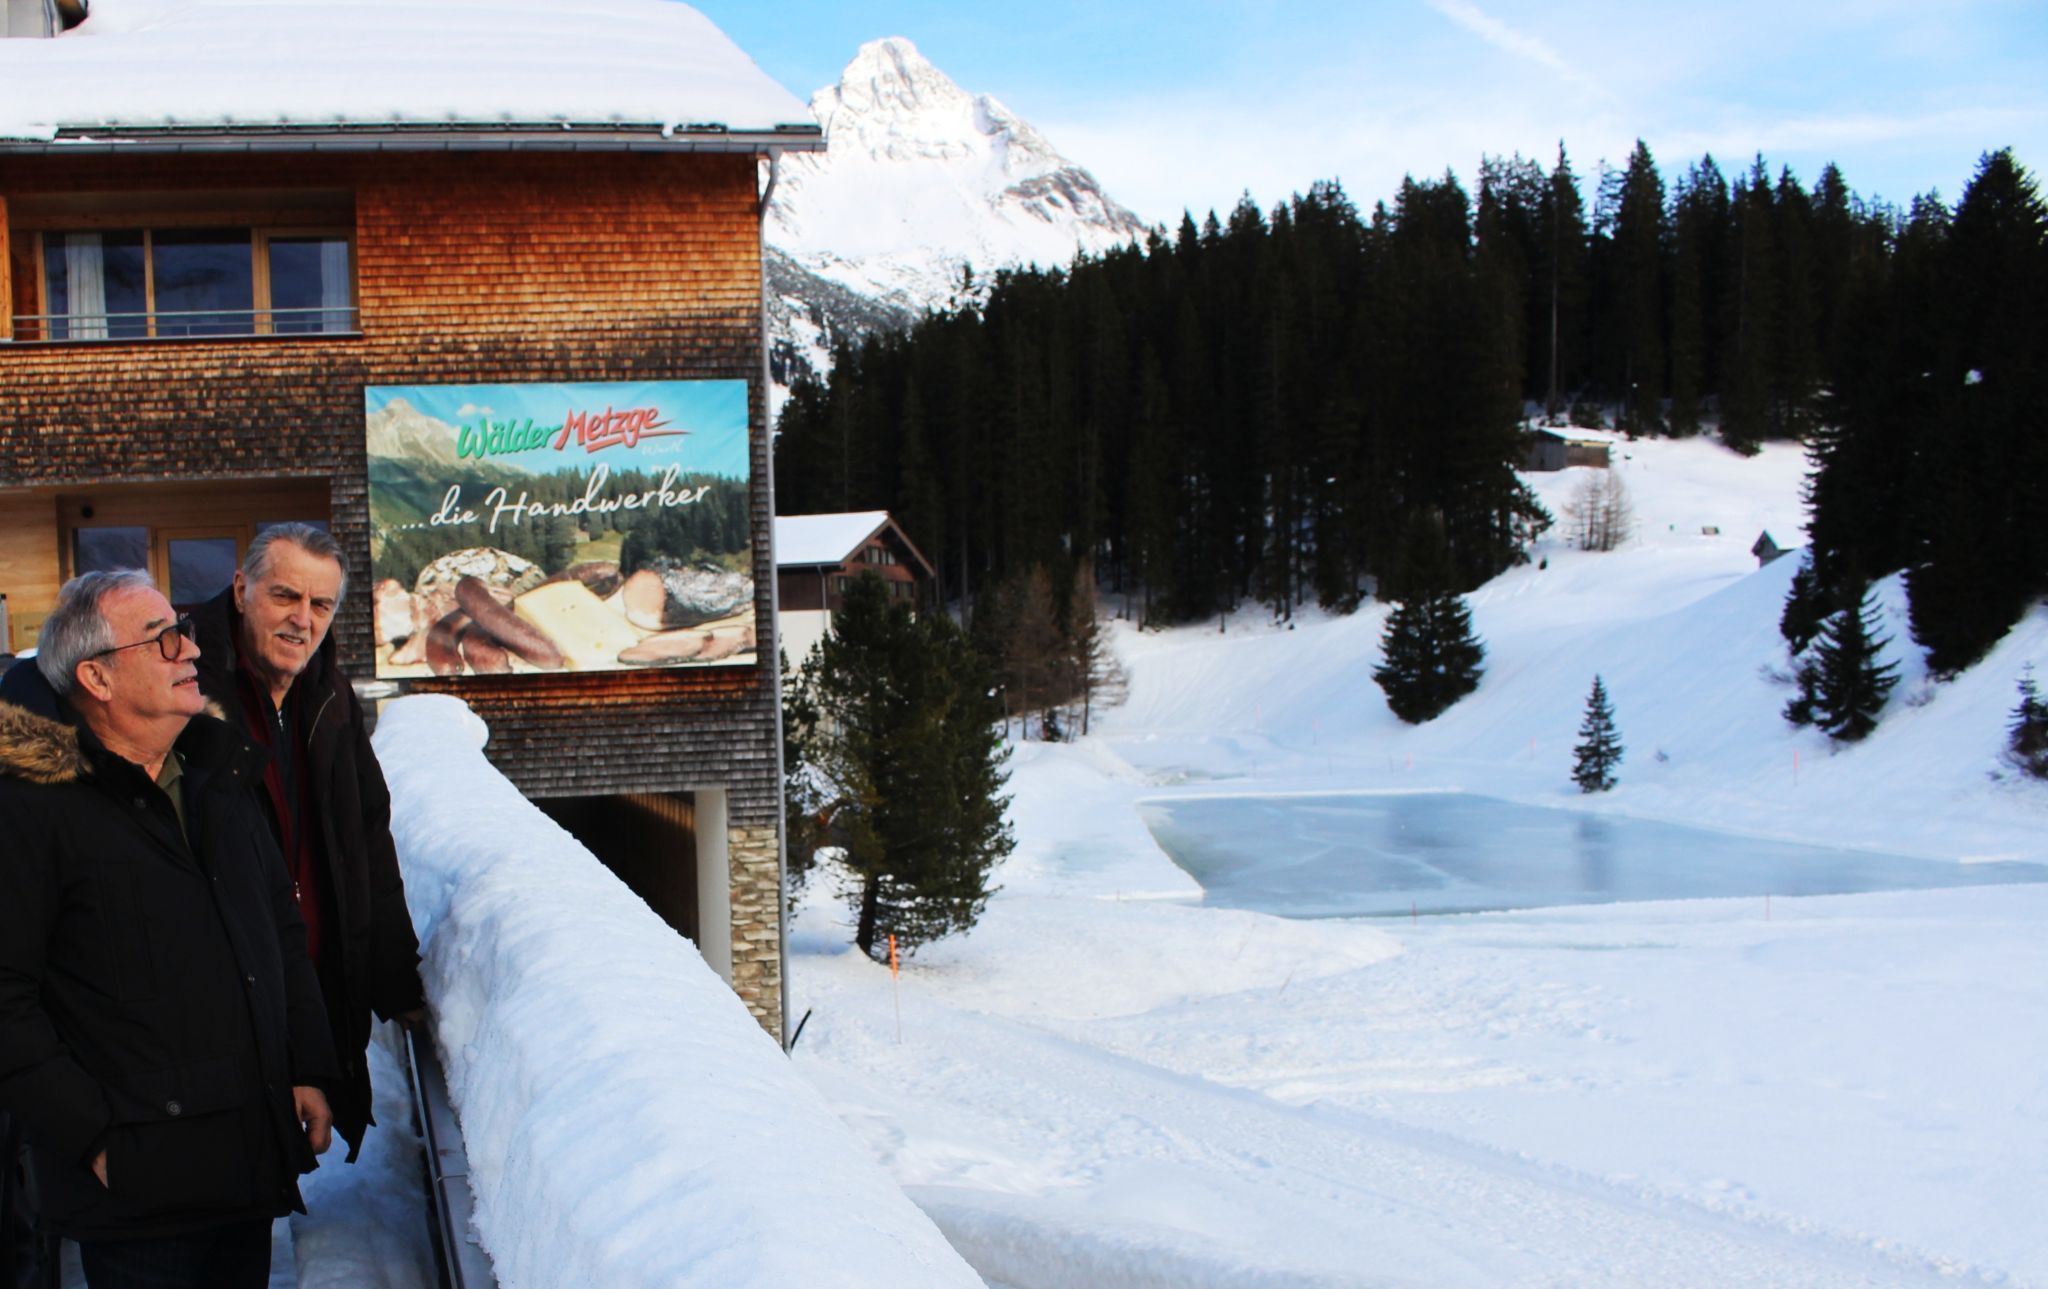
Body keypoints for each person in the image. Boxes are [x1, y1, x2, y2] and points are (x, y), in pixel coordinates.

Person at [0, 571, 338, 1288]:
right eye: (161, 638)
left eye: (180, 628)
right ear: (96, 675)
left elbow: (277, 924)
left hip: (245, 1163)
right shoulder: (31, 807)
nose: (189, 649)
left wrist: (307, 1060)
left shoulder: (217, 772)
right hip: (137, 1195)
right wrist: (90, 1134)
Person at [187, 524, 426, 1162]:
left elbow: (367, 842)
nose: (302, 619)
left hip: (308, 985)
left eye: (320, 605)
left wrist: (398, 984)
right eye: (285, 597)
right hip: (220, 1002)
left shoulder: (332, 698)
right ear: (241, 589)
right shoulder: (184, 687)